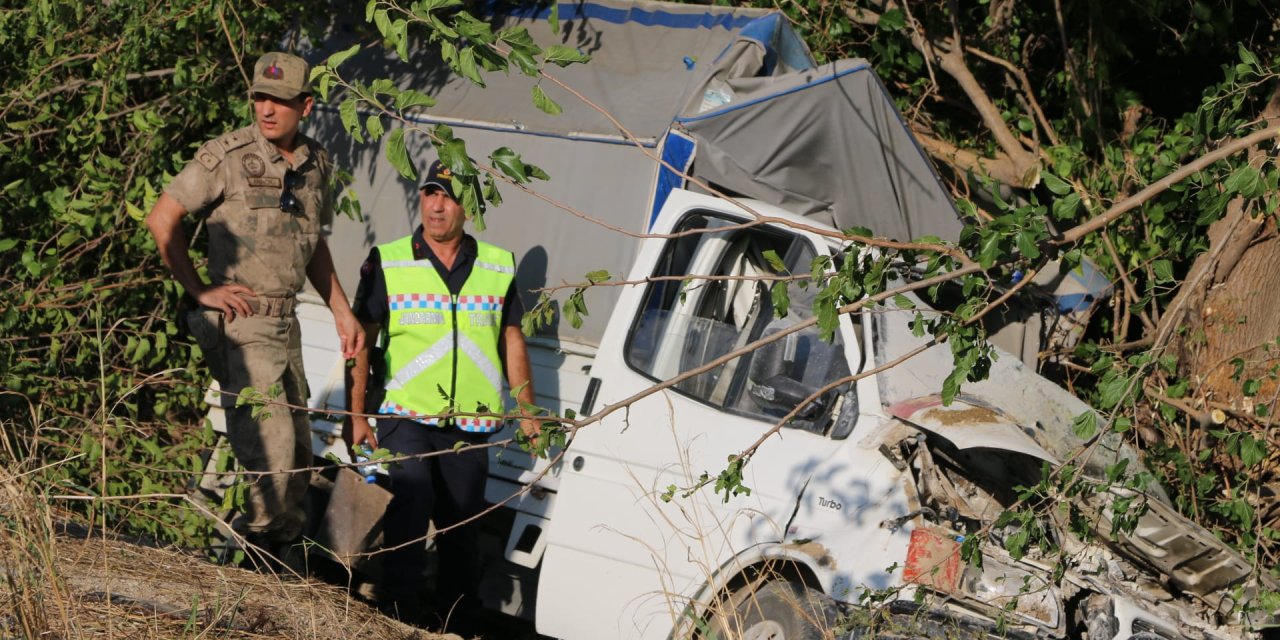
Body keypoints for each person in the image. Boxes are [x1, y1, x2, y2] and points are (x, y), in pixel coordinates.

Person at [146, 52, 364, 560]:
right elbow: (163, 219)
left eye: (281, 100)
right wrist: (200, 290)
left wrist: (341, 309)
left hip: (285, 322)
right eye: (260, 98)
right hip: (241, 322)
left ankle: (264, 565)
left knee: (301, 457)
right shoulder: (227, 155)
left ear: (305, 105)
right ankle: (247, 558)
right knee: (273, 453)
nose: (267, 110)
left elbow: (313, 244)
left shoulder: (316, 163)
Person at [345, 159, 537, 630]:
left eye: (448, 196)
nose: (436, 205)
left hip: (470, 421)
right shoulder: (389, 260)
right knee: (411, 503)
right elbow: (360, 341)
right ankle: (397, 616)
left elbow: (512, 339)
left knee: (462, 526)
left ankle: (454, 620)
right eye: (430, 193)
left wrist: (528, 409)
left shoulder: (497, 265)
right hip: (405, 413)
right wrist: (356, 415)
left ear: (467, 206)